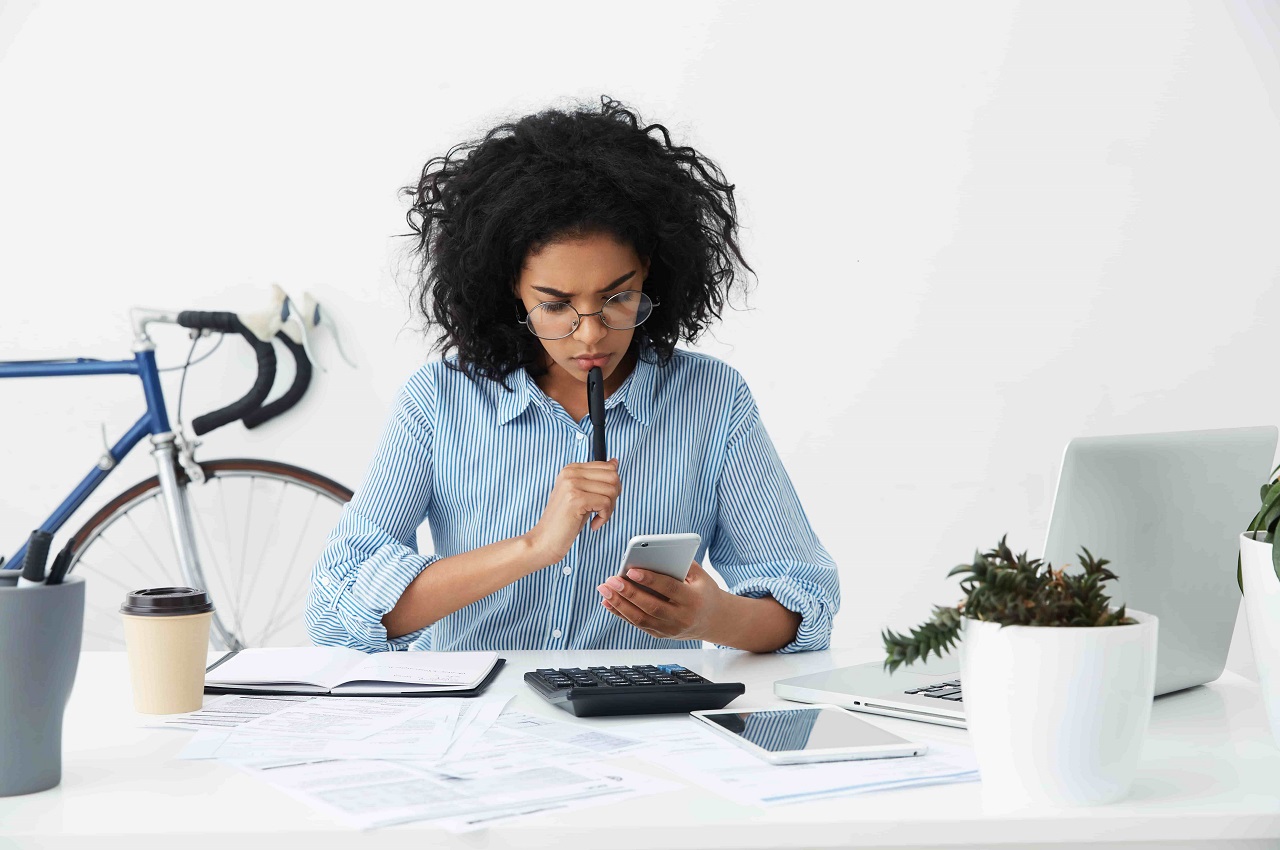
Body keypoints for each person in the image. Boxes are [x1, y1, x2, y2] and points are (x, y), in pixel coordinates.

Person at [305, 95, 840, 654]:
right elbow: (337, 611)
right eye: (556, 305)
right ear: (510, 285)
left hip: (643, 730)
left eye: (618, 297)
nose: (590, 336)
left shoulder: (711, 399)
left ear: (652, 273)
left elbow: (804, 605)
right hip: (476, 727)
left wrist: (712, 617)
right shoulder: (440, 400)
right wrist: (535, 545)